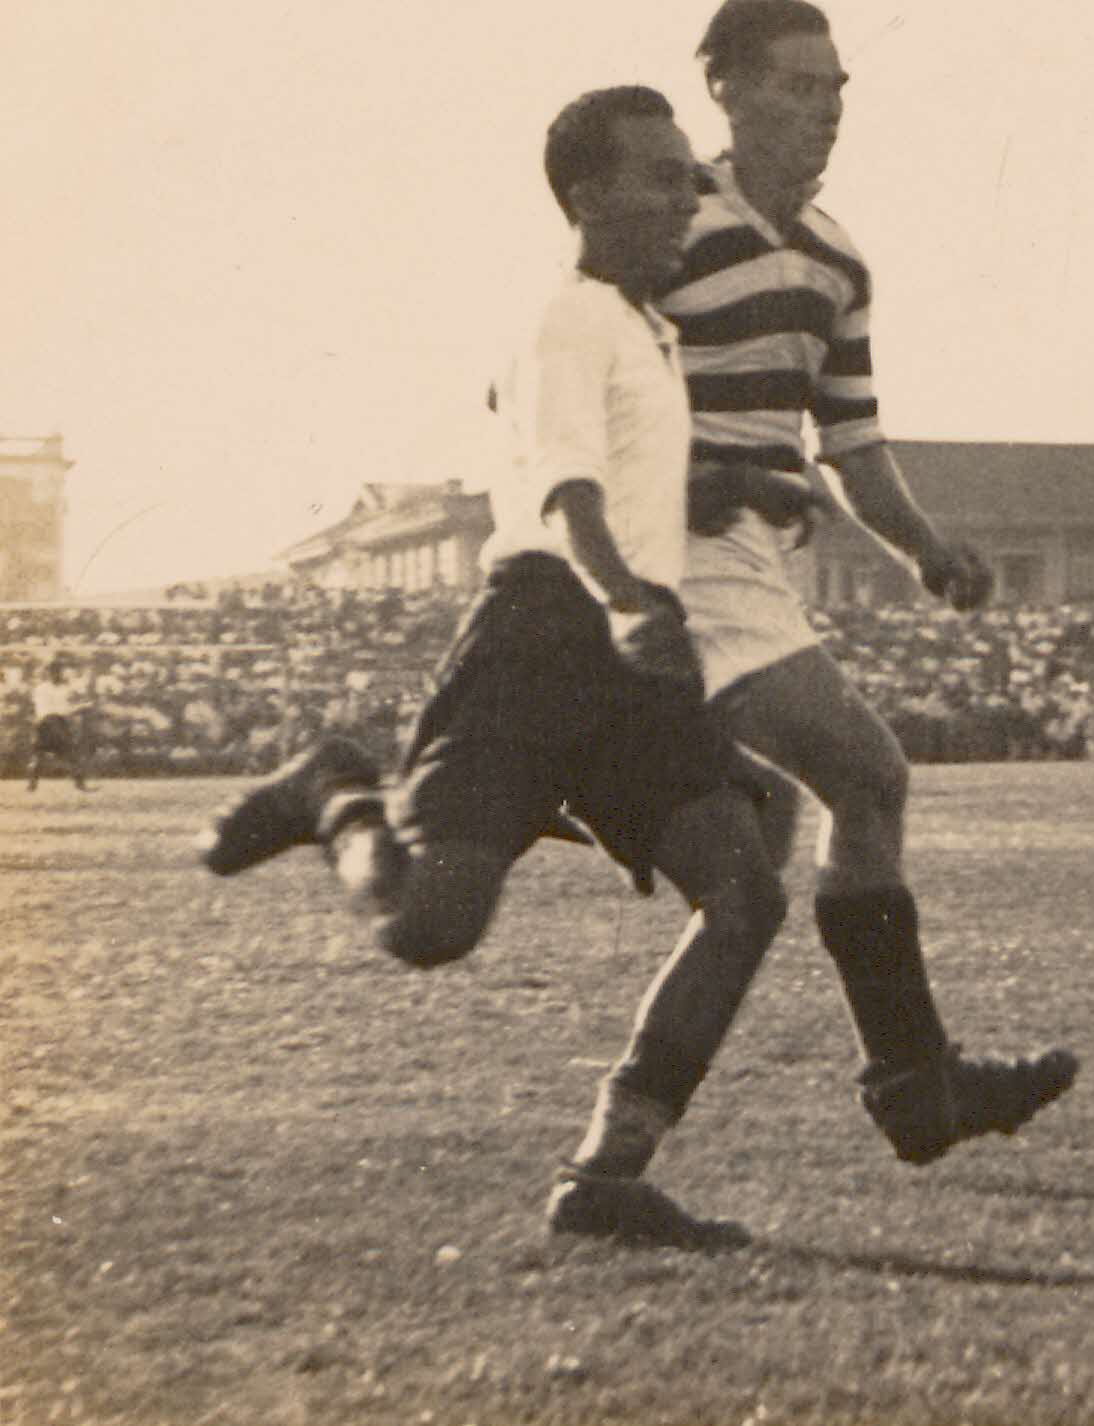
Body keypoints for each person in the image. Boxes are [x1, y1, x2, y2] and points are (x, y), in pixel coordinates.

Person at [196, 86, 790, 1248]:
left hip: (626, 641)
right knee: (428, 926)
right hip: (545, 636)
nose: (691, 193)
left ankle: (606, 1174)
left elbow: (608, 482)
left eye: (690, 173)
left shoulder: (639, 327)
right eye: (664, 174)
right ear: (586, 194)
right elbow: (567, 493)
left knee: (747, 891)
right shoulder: (566, 319)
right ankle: (335, 791)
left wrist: (731, 491)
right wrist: (624, 598)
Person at [666, 0, 1076, 1161]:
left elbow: (852, 440)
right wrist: (682, 473)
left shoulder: (838, 257)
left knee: (790, 820)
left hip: (754, 559)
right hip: (679, 551)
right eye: (798, 85)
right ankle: (911, 1079)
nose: (825, 109)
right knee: (866, 774)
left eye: (837, 88)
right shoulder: (669, 217)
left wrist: (925, 546)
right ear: (728, 90)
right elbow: (571, 379)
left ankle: (904, 1078)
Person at [26, 659, 92, 791]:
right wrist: (81, 707)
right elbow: (53, 711)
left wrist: (78, 707)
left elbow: (64, 710)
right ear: (48, 673)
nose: (56, 674)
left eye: (58, 671)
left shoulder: (64, 689)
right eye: (53, 671)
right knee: (66, 753)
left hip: (55, 723)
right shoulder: (41, 689)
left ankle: (32, 786)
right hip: (48, 723)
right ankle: (31, 785)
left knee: (43, 756)